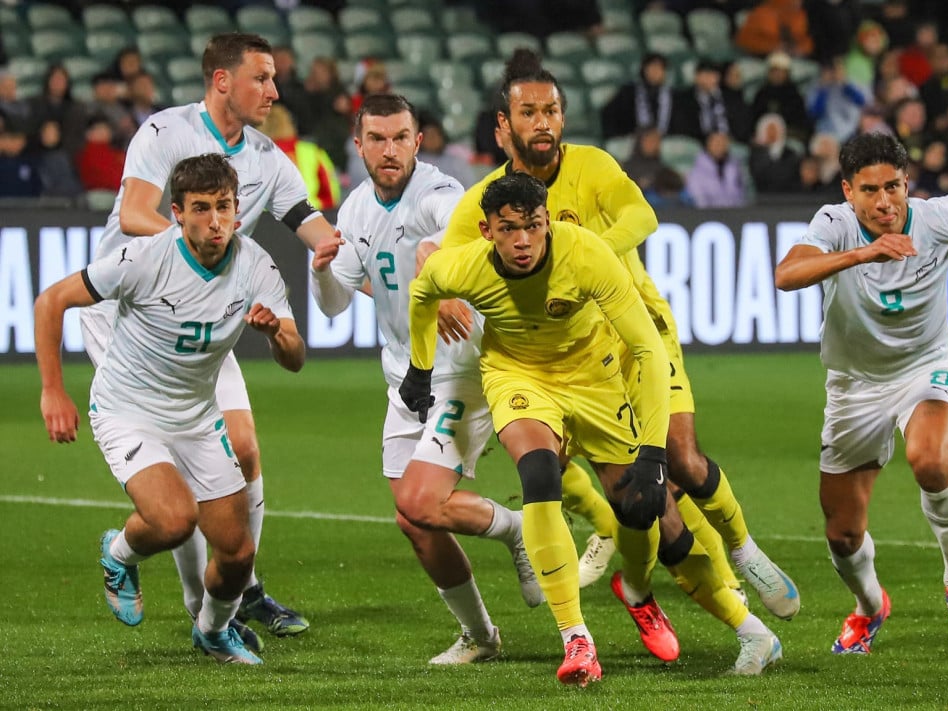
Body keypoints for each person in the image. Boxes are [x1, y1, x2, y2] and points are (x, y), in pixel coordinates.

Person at [444, 49, 800, 623]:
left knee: (679, 460)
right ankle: (664, 593)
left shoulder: (594, 166)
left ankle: (741, 550)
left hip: (638, 335)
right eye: (529, 112)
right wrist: (436, 279)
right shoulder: (491, 200)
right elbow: (447, 257)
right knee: (630, 497)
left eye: (552, 110)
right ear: (503, 127)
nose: (543, 122)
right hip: (566, 362)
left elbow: (642, 217)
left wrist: (582, 257)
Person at [412, 173, 781, 683]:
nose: (523, 241)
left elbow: (650, 349)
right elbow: (422, 290)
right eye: (509, 229)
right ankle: (577, 640)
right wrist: (419, 368)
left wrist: (653, 453)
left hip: (597, 381)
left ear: (547, 222)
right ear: (486, 230)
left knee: (643, 509)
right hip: (519, 376)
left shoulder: (584, 254)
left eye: (534, 226)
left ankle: (650, 593)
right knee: (539, 474)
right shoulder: (463, 265)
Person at [76, 32, 344, 646]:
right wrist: (208, 241)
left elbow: (309, 223)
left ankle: (238, 589)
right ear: (223, 80)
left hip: (205, 309)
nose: (274, 91)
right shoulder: (165, 133)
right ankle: (203, 605)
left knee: (243, 449)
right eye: (262, 78)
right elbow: (136, 215)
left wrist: (339, 246)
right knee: (178, 470)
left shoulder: (266, 157)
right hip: (135, 310)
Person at [35, 153, 305, 665]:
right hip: (127, 410)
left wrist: (276, 335)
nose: (215, 220)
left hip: (197, 418)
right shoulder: (144, 259)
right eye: (201, 208)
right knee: (175, 520)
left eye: (223, 206)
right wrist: (54, 390)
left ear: (237, 208)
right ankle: (119, 553)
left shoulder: (255, 264)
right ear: (177, 213)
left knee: (238, 552)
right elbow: (51, 301)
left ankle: (211, 630)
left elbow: (294, 358)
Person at [308, 94, 540, 665]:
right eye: (378, 140)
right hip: (403, 381)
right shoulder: (358, 209)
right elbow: (335, 304)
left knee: (420, 500)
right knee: (416, 522)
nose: (391, 150)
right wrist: (319, 272)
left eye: (402, 138)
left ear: (418, 140)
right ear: (358, 144)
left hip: (459, 370)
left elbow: (452, 237)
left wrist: (438, 276)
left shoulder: (441, 194)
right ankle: (481, 637)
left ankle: (516, 530)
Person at [774, 132, 948, 656]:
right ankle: (869, 607)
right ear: (848, 190)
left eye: (893, 187)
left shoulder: (941, 217)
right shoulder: (834, 225)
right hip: (854, 386)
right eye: (869, 190)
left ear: (908, 183)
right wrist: (864, 253)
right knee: (843, 534)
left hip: (928, 368)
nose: (884, 202)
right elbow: (786, 273)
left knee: (929, 461)